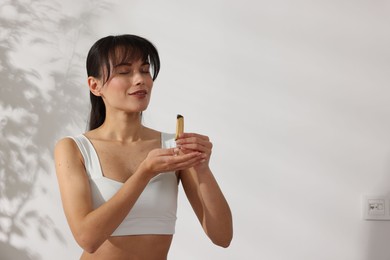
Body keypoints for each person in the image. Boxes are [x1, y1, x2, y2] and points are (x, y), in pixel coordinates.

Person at [54, 34, 233, 259]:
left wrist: (203, 169)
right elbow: (88, 239)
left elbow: (223, 237)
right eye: (124, 71)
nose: (139, 79)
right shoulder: (74, 149)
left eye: (145, 70)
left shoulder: (174, 148)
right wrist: (145, 172)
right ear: (95, 85)